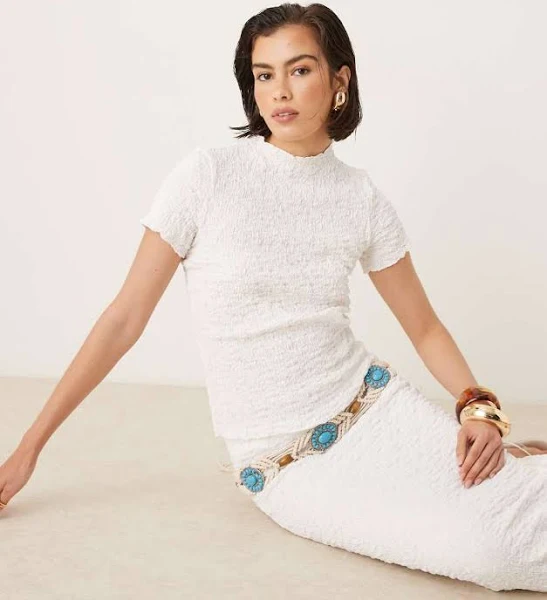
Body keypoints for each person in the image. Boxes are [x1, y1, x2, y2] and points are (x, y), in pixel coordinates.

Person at [1, 2, 545, 593]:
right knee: (490, 548)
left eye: (300, 69)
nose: (279, 91)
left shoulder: (360, 197)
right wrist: (29, 448)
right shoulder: (207, 177)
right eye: (264, 74)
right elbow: (123, 319)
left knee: (508, 507)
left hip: (375, 407)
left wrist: (477, 407)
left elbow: (425, 327)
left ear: (339, 80)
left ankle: (521, 459)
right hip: (282, 461)